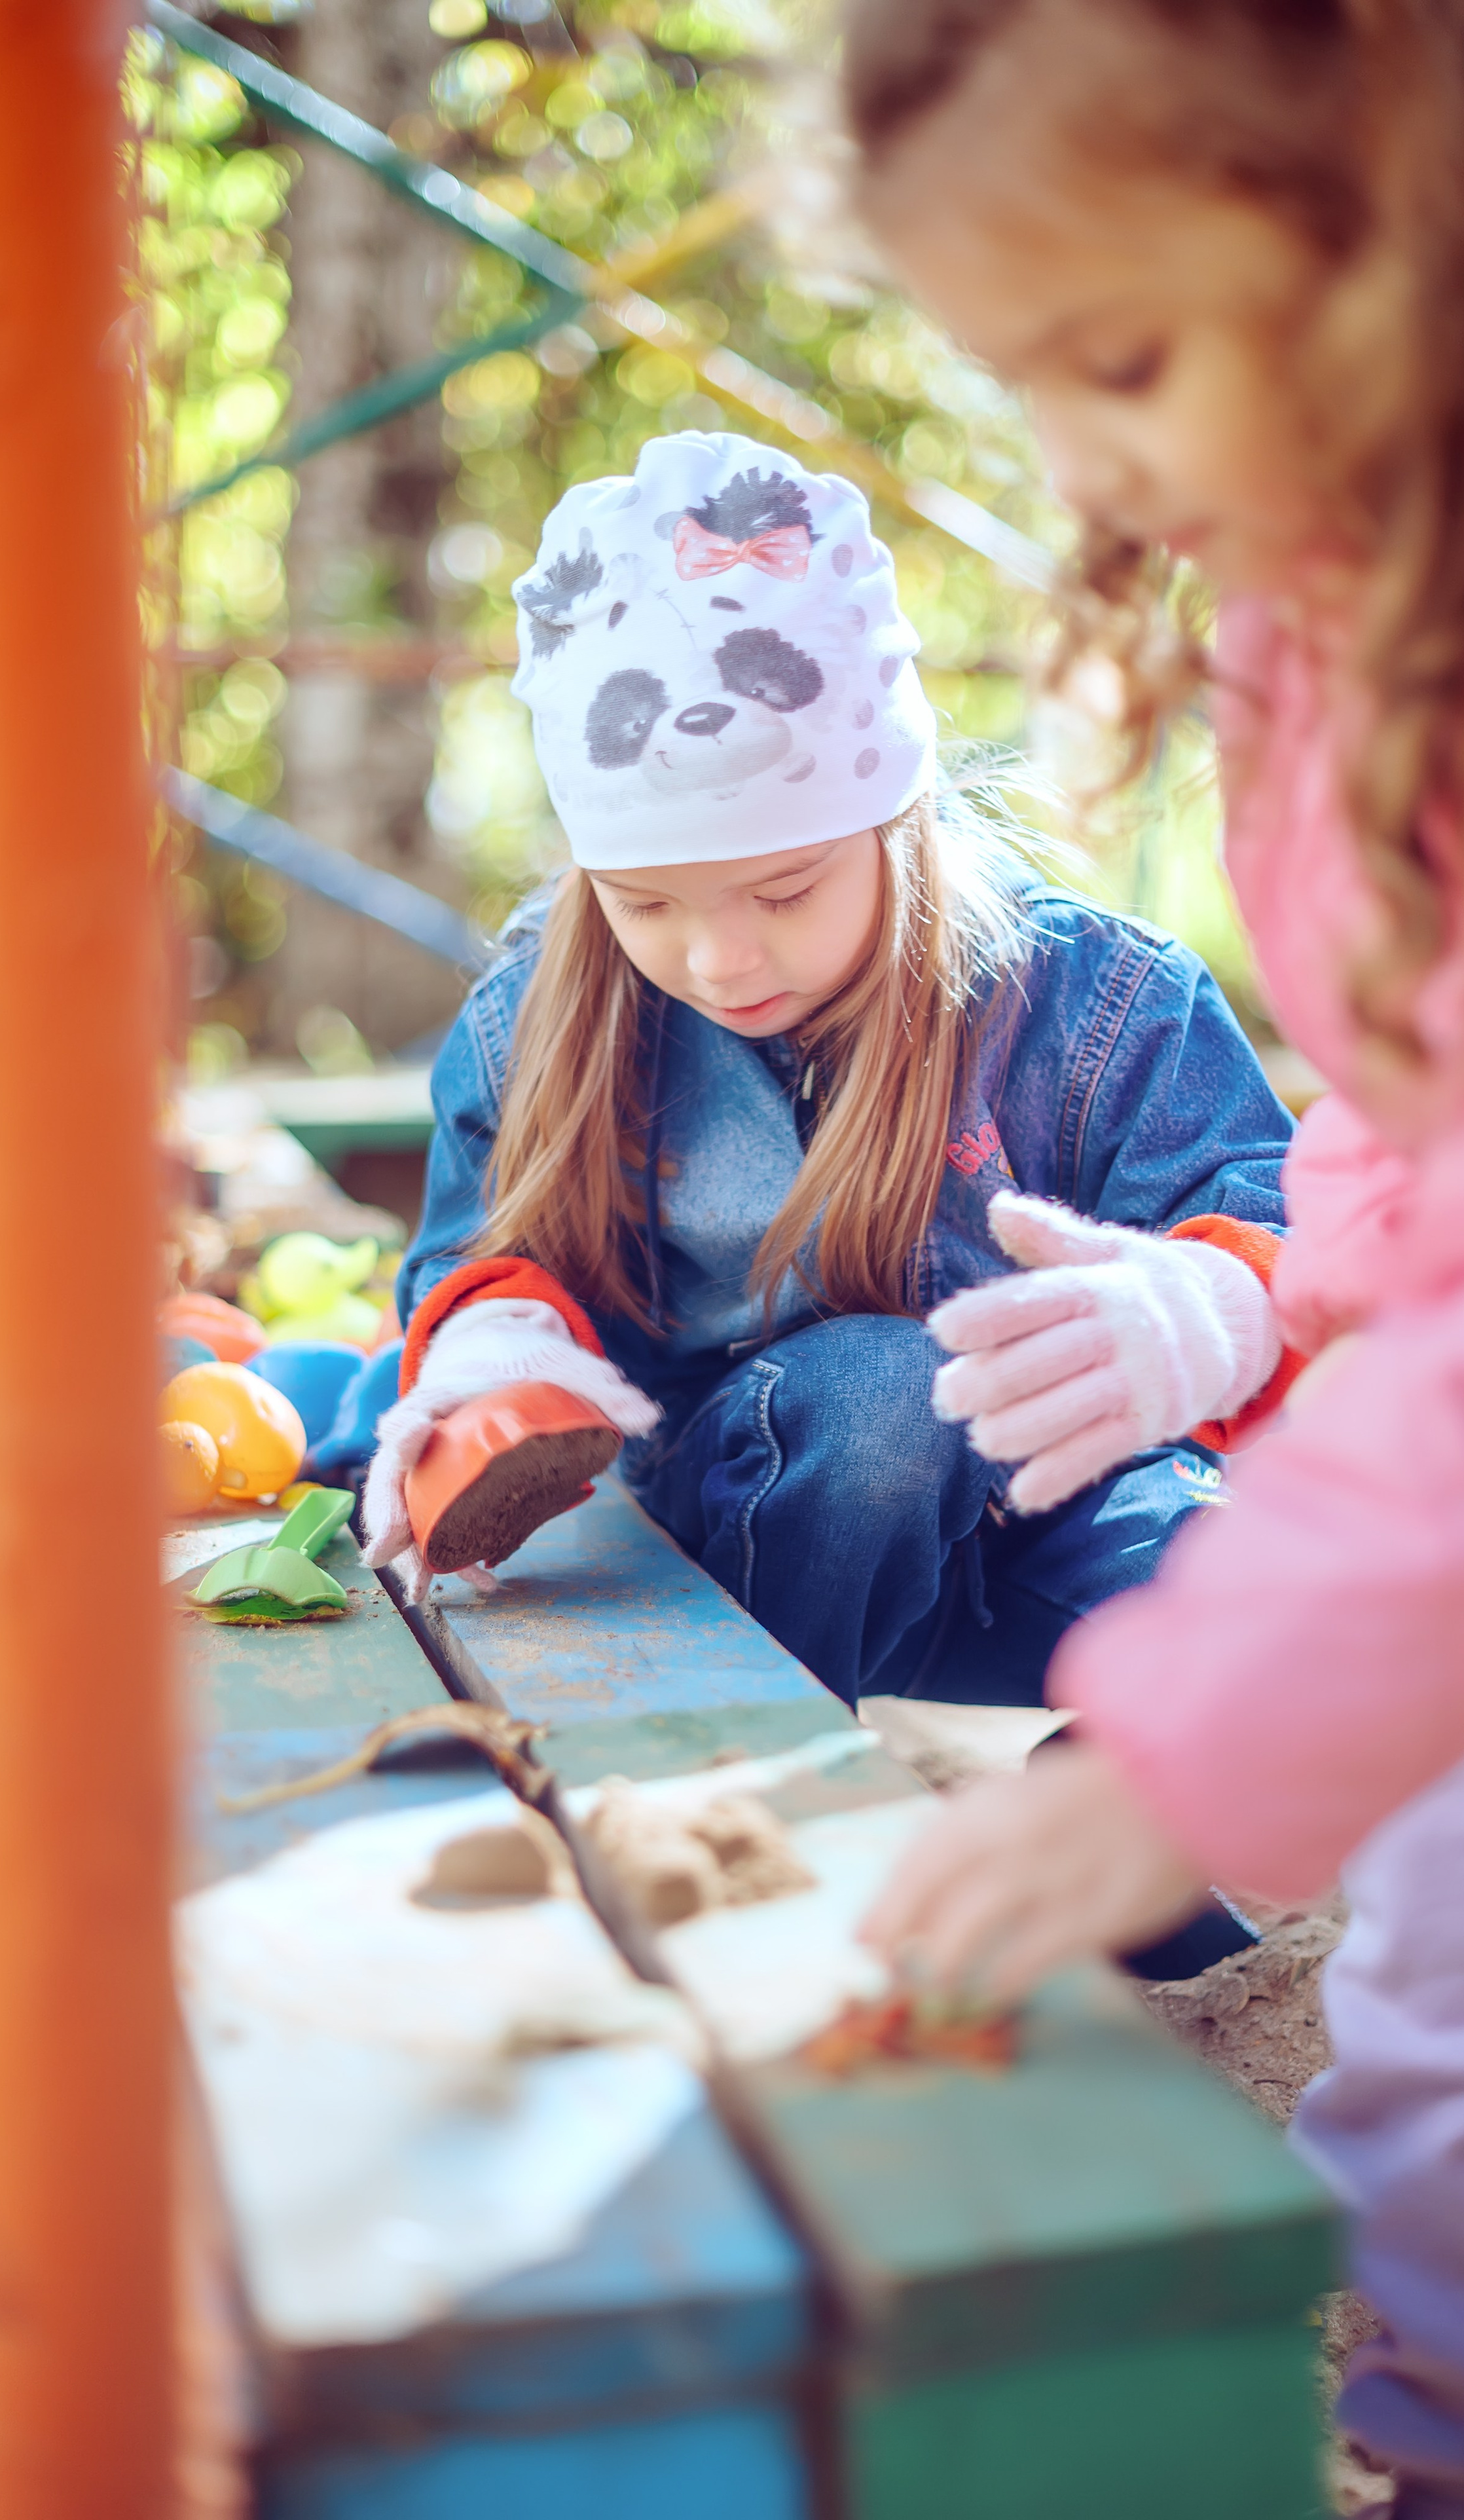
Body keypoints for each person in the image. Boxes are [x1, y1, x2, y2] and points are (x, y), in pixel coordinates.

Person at [839, 5, 1464, 2514]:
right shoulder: (1320, 596)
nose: (1080, 468)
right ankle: (1457, 2458)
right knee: (1448, 1997)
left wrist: (1182, 1755)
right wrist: (1286, 1289)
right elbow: (1435, 1080)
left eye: (1124, 360)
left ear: (1375, 227)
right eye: (1026, 384)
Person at [365, 430, 1294, 1754]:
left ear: (890, 820)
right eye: (647, 904)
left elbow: (1280, 1228)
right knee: (878, 1395)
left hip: (1049, 1521)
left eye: (786, 890)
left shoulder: (1096, 1002)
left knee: (1284, 1592)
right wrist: (496, 1354)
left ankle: (1113, 1833)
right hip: (741, 1531)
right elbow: (478, 1253)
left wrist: (1204, 1306)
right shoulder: (539, 1021)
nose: (720, 957)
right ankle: (746, 1767)